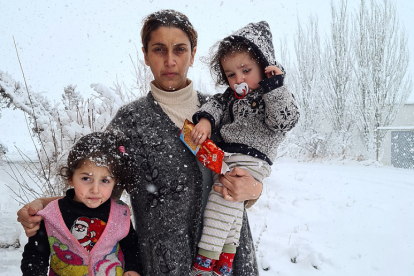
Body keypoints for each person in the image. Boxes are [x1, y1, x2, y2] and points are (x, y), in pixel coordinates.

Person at [17, 10, 263, 276]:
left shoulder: (223, 112)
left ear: (192, 55)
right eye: (159, 49)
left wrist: (254, 189)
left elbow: (253, 164)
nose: (170, 60)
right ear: (146, 55)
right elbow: (99, 191)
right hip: (166, 262)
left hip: (226, 256)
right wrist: (45, 206)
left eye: (179, 49)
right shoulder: (131, 122)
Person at [188, 21, 300, 275]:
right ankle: (226, 259)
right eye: (230, 74)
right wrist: (205, 121)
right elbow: (215, 105)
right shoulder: (229, 96)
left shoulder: (272, 94)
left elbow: (285, 120)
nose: (238, 80)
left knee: (220, 199)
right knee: (231, 206)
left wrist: (275, 87)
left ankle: (204, 263)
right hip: (233, 157)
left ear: (263, 65)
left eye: (246, 70)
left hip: (253, 159)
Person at [20, 132, 141, 276]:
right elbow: (35, 255)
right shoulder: (51, 215)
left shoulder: (120, 213)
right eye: (86, 178)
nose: (95, 190)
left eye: (105, 181)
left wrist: (134, 269)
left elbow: (132, 248)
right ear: (71, 178)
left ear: (114, 182)